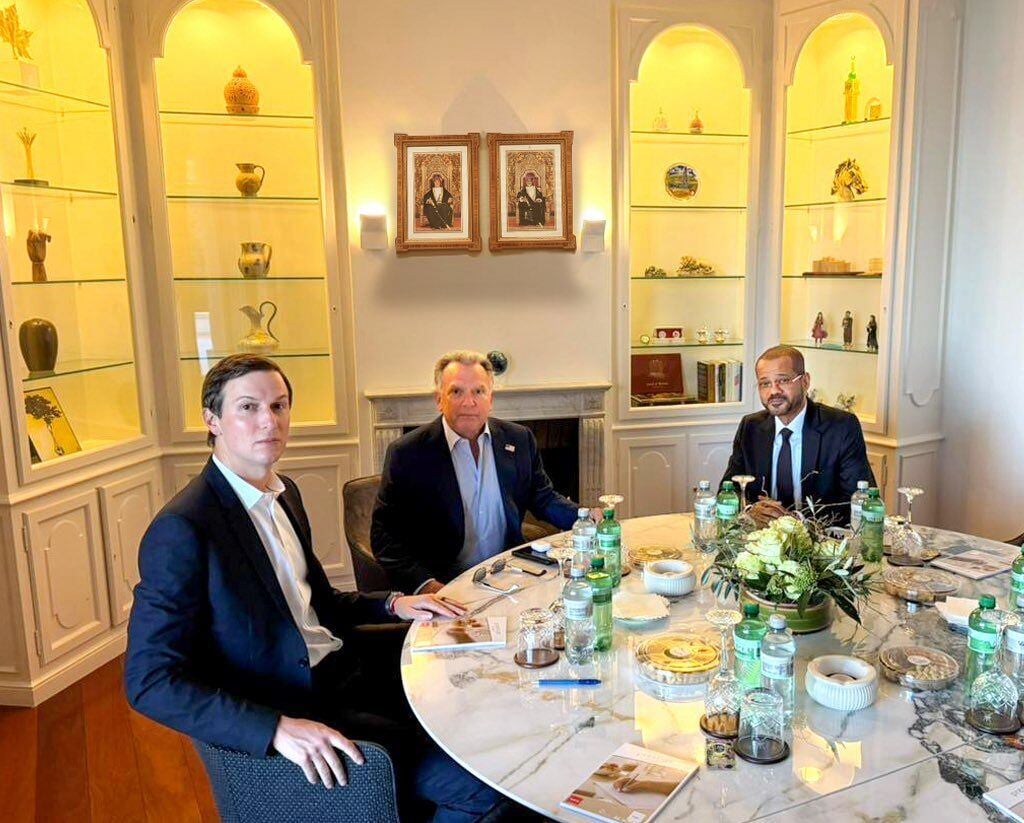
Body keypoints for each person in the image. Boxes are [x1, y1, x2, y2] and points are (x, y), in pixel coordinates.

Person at [124, 354, 500, 821]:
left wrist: (396, 602)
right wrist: (275, 728)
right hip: (296, 706)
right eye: (249, 407)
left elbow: (318, 603)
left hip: (344, 672)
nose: (269, 421)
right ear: (212, 420)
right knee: (483, 787)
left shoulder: (285, 494)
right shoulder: (184, 527)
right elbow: (149, 682)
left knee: (485, 715)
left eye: (279, 406)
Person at [372, 350, 581, 594]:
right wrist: (427, 586)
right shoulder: (408, 453)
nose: (469, 402)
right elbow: (384, 537)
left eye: (478, 391)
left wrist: (586, 518)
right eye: (456, 391)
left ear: (490, 399)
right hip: (446, 584)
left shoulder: (519, 439)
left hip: (511, 573)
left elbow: (542, 498)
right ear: (439, 399)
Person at [720, 345, 874, 524]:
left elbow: (860, 502)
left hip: (820, 541)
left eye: (783, 380)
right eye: (765, 383)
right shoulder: (751, 427)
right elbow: (727, 492)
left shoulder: (841, 427)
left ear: (805, 382)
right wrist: (750, 511)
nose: (773, 391)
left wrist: (797, 520)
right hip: (762, 541)